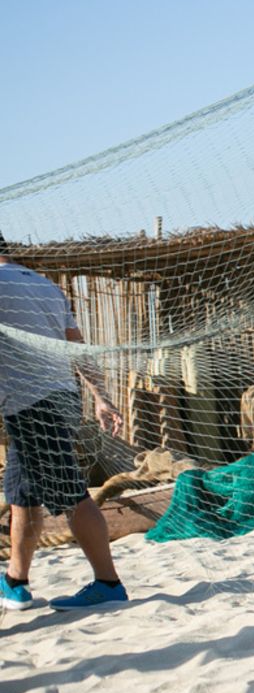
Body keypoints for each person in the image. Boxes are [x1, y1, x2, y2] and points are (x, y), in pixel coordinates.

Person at [0, 232, 129, 612]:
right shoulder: (44, 285)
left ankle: (108, 584)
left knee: (70, 492)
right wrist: (101, 396)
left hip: (31, 403)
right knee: (22, 493)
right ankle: (16, 583)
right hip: (60, 397)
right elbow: (76, 346)